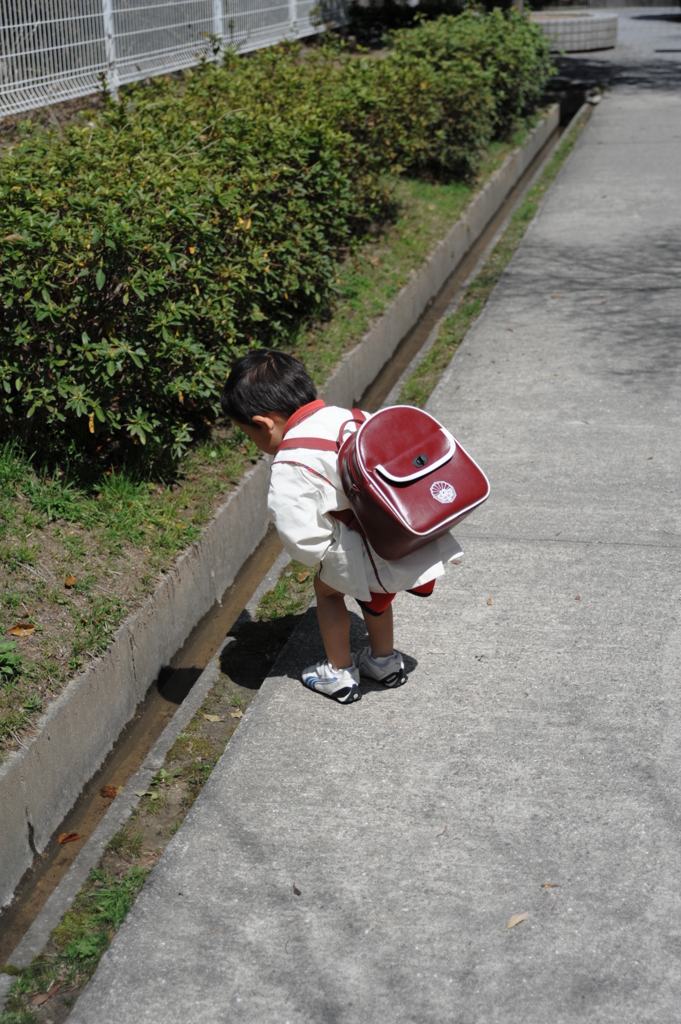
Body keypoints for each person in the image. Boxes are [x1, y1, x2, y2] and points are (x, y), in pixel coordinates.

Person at [221, 349, 463, 705]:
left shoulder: (291, 459)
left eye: (250, 435)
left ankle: (340, 672)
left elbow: (299, 531)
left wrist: (322, 557)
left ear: (264, 423)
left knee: (328, 592)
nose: (256, 445)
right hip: (397, 535)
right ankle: (384, 661)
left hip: (359, 546)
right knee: (376, 600)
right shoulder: (352, 417)